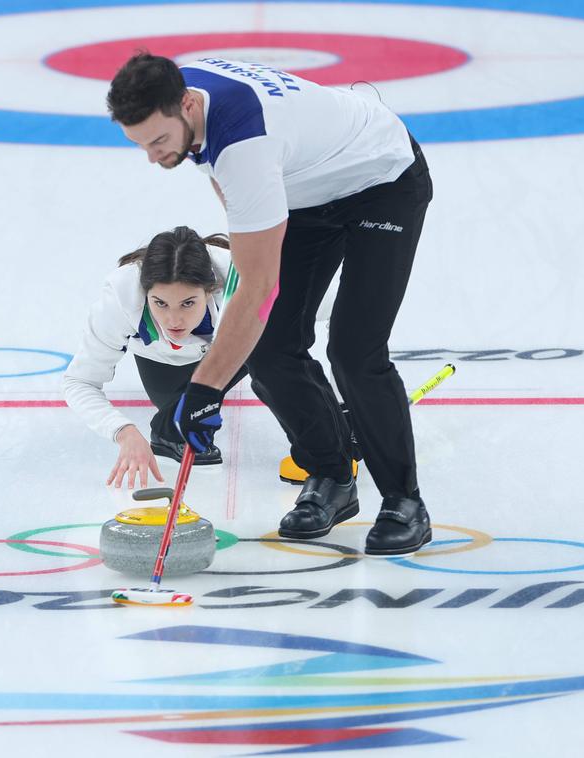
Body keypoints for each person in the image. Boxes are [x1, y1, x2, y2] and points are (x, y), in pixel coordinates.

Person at [106, 53, 434, 556]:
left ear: (187, 105)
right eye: (139, 145)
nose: (152, 157)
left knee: (354, 348)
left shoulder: (245, 144)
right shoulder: (179, 94)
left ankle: (404, 501)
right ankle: (331, 475)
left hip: (380, 180)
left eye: (157, 142)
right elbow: (236, 202)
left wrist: (203, 389)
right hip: (302, 190)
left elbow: (256, 289)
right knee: (272, 347)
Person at [62, 226, 249, 489]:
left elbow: (317, 314)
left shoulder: (241, 279)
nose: (174, 320)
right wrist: (124, 432)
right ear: (145, 293)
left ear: (209, 291)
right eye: (160, 303)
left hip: (228, 351)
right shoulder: (121, 295)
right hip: (164, 368)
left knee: (269, 341)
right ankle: (169, 430)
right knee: (175, 416)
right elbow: (79, 382)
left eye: (187, 303)